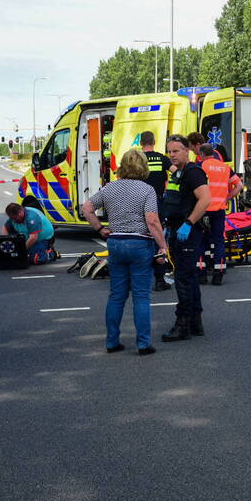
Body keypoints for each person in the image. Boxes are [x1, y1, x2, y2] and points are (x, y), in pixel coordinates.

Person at [81, 149, 168, 355]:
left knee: (117, 296)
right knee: (141, 296)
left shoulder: (109, 188)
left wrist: (100, 228)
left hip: (116, 243)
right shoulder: (147, 190)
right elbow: (152, 221)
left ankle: (112, 341)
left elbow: (87, 208)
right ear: (143, 167)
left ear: (122, 166)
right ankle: (143, 343)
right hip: (140, 245)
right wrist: (163, 246)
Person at [159, 134, 211, 342]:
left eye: (176, 151)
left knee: (183, 279)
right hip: (178, 230)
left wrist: (188, 224)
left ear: (187, 150)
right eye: (169, 151)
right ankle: (195, 323)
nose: (172, 155)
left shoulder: (192, 172)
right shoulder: (179, 173)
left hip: (187, 233)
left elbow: (206, 198)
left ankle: (182, 325)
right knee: (189, 278)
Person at [196, 143, 243, 286]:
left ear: (202, 154)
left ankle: (202, 274)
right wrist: (227, 197)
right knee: (218, 242)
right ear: (214, 153)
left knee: (201, 241)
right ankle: (218, 273)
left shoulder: (200, 167)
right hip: (219, 210)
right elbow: (239, 185)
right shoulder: (225, 168)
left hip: (203, 209)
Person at [140, 130, 172, 291]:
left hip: (138, 203)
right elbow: (177, 172)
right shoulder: (161, 158)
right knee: (158, 238)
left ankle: (137, 280)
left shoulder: (137, 159)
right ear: (153, 142)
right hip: (158, 202)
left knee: (140, 238)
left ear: (141, 143)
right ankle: (160, 279)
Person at [2, 200, 56, 265]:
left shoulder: (31, 217)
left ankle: (50, 253)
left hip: (43, 239)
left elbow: (33, 238)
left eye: (15, 218)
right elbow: (5, 228)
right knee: (17, 256)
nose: (14, 220)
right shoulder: (14, 216)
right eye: (12, 218)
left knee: (36, 259)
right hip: (28, 237)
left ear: (20, 212)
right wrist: (7, 243)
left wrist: (21, 251)